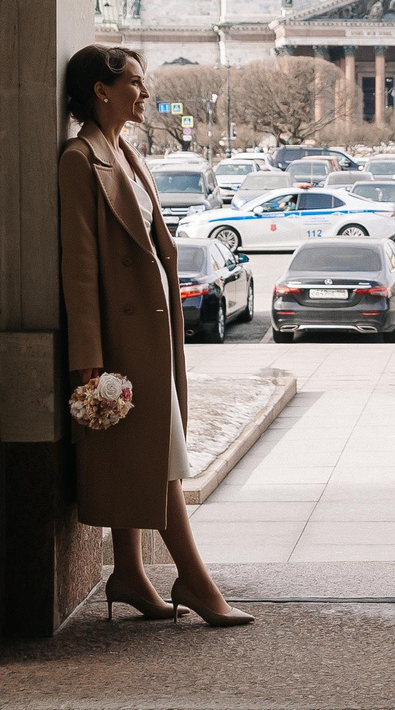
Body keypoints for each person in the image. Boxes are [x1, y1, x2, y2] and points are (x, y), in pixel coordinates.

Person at [59, 44, 252, 628]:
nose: (145, 94)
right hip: (123, 337)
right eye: (135, 84)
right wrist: (88, 360)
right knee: (162, 457)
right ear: (101, 88)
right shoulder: (79, 158)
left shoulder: (126, 152)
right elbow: (81, 268)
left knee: (141, 454)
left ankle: (129, 573)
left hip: (154, 329)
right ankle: (194, 581)